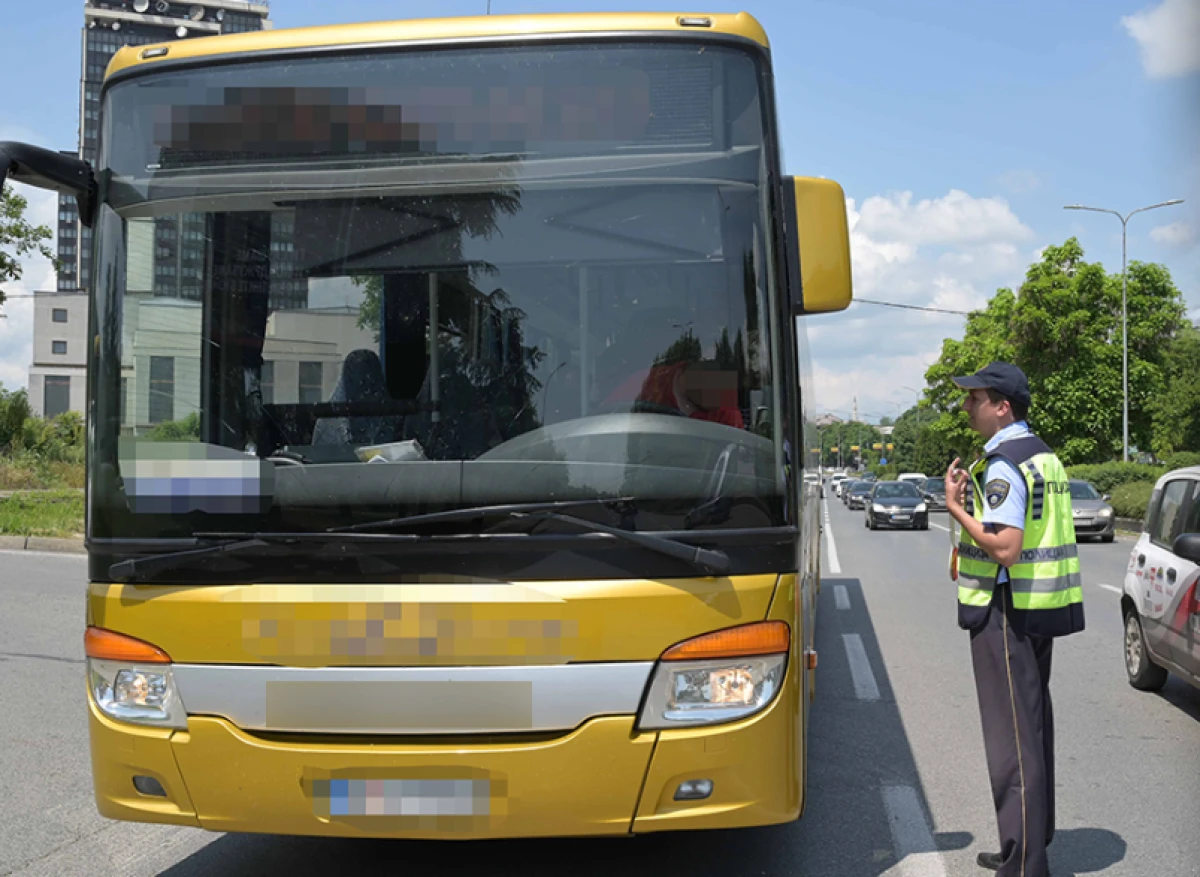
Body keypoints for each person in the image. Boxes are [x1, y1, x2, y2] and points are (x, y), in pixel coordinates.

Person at [944, 362, 1084, 877]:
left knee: (1012, 741)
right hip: (1037, 607)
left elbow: (1004, 546)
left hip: (1005, 613)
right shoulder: (1043, 455)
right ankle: (1027, 843)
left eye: (974, 398)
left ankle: (1024, 862)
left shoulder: (1005, 462)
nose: (967, 407)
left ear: (1002, 406)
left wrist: (956, 507)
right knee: (1033, 727)